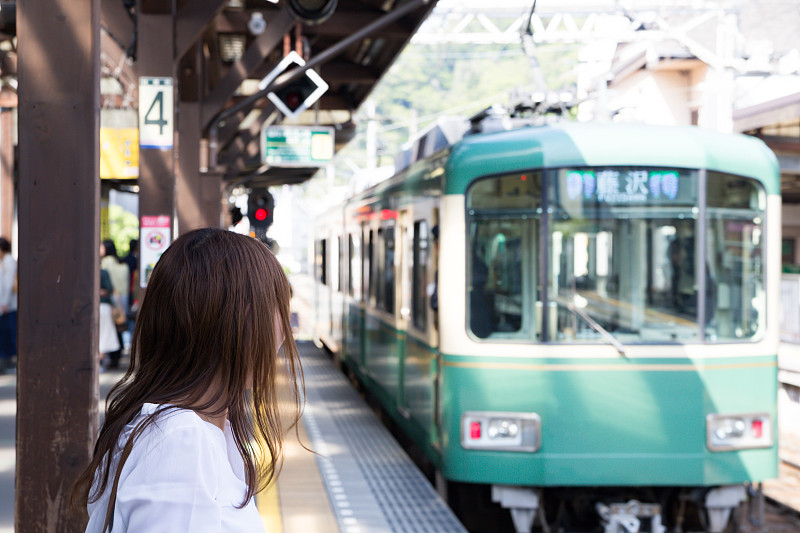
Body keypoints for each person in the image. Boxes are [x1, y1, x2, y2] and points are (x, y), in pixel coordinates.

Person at [73, 228, 303, 532]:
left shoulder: (195, 428)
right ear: (239, 320)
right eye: (278, 309)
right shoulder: (181, 441)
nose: (285, 331)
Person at [101, 241, 128, 369]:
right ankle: (117, 354)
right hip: (122, 297)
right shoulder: (122, 264)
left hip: (111, 299)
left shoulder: (105, 264)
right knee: (118, 326)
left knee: (108, 328)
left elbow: (110, 287)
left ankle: (110, 357)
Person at [0, 237, 16, 373]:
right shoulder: (3, 262)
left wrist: (4, 302)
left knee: (10, 333)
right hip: (5, 305)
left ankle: (11, 362)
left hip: (9, 306)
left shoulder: (9, 262)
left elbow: (9, 283)